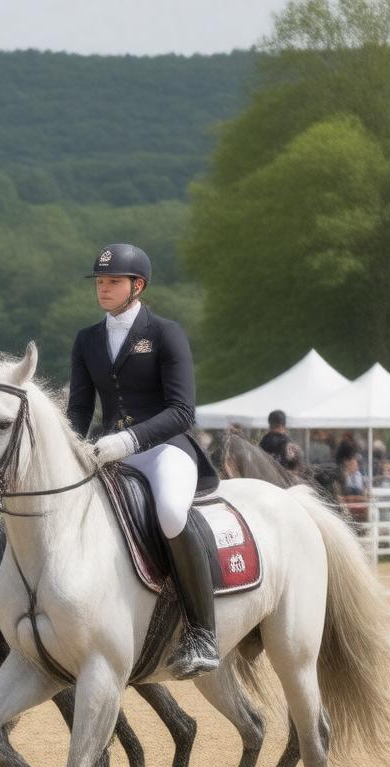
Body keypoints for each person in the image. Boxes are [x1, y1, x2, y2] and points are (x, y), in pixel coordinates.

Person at [66, 242, 220, 679]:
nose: (104, 289)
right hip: (110, 451)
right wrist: (72, 446)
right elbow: (79, 410)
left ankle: (202, 633)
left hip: (165, 448)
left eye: (113, 281)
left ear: (138, 285)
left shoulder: (165, 332)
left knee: (171, 513)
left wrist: (130, 439)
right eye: (100, 282)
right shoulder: (87, 340)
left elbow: (182, 411)